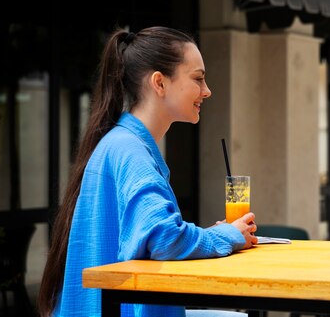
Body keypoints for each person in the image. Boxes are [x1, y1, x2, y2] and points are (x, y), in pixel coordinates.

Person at [38, 27, 258, 317]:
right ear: (159, 83)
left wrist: (216, 234)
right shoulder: (131, 150)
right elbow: (164, 239)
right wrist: (226, 236)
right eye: (198, 78)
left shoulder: (121, 143)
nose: (207, 90)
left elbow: (151, 238)